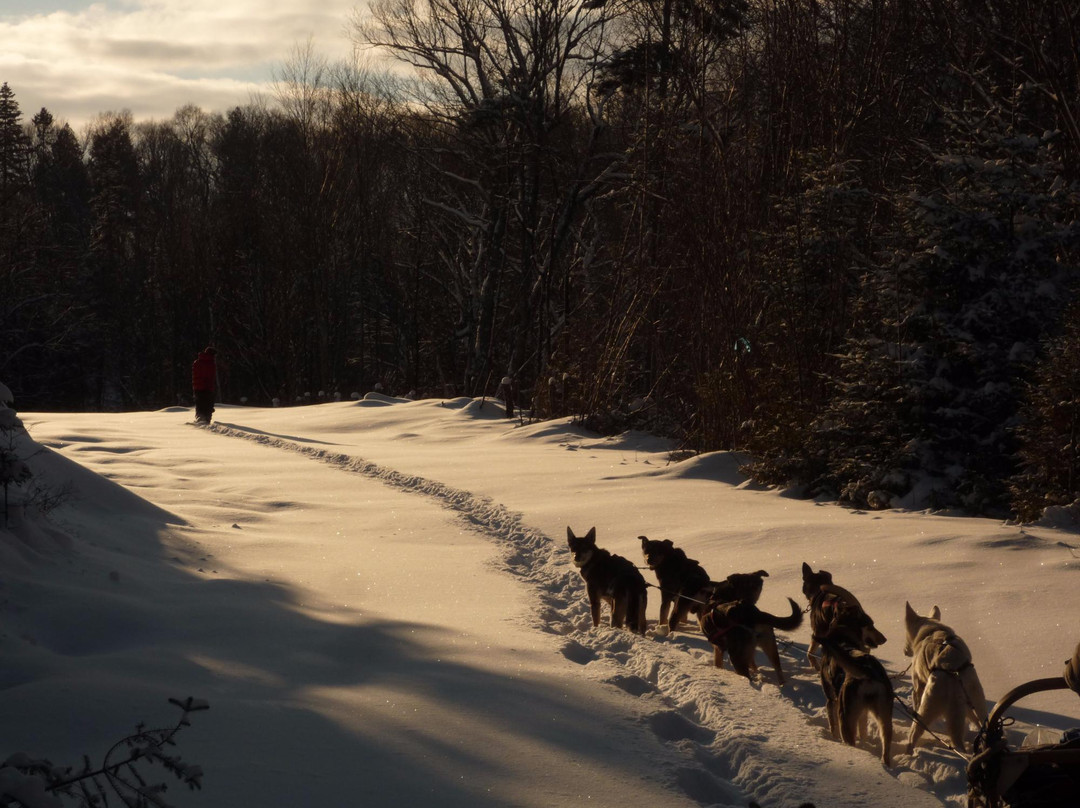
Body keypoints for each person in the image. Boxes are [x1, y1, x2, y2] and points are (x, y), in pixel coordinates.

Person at [191, 346, 217, 424]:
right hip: (207, 387)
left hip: (197, 386)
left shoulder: (197, 362)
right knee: (208, 403)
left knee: (200, 402)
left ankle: (201, 416)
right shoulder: (211, 363)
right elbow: (210, 376)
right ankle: (206, 418)